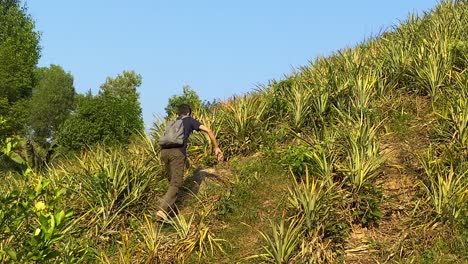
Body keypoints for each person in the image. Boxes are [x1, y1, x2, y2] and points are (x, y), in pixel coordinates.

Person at [156, 104, 223, 221]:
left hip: (164, 153)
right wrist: (216, 147)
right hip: (177, 153)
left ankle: (172, 210)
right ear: (189, 113)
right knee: (176, 184)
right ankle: (162, 210)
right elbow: (208, 130)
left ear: (178, 113)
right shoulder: (189, 120)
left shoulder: (172, 122)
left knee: (172, 181)